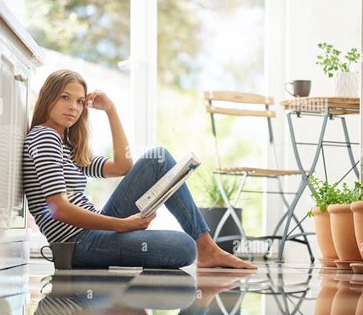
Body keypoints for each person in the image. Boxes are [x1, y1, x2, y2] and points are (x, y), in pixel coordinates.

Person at [23, 69, 257, 270]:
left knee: (158, 158)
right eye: (65, 97)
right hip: (78, 243)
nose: (73, 107)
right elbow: (58, 209)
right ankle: (203, 248)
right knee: (184, 248)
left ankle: (206, 247)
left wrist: (110, 110)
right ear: (48, 97)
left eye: (80, 101)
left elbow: (122, 166)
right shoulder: (45, 137)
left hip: (91, 233)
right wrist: (124, 225)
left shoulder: (68, 145)